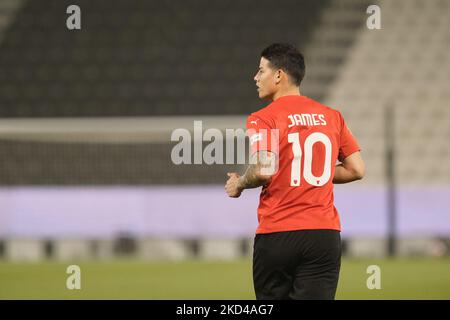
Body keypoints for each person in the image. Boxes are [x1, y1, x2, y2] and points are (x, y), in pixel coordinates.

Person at [225, 43, 365, 300]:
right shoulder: (332, 116)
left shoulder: (263, 118)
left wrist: (240, 183)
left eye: (260, 71)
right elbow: (356, 169)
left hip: (279, 233)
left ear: (279, 75)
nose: (255, 78)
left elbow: (264, 170)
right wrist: (312, 169)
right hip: (324, 236)